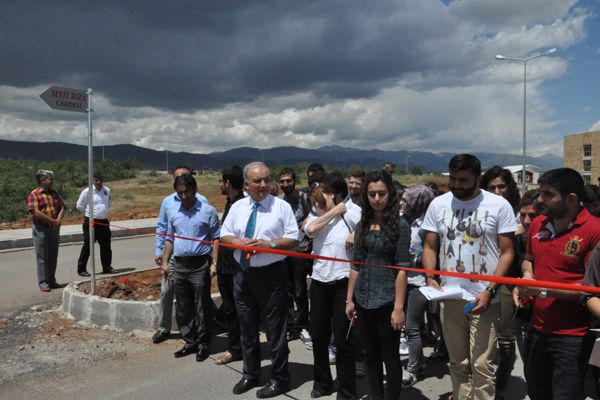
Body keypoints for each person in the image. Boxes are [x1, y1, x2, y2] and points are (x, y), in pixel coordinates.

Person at [421, 154, 517, 400]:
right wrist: (430, 277)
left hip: (485, 299)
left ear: (478, 177)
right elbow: (430, 247)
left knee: (482, 365)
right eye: (453, 179)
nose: (457, 185)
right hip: (450, 297)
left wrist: (490, 290)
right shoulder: (438, 204)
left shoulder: (498, 205)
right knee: (458, 362)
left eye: (463, 180)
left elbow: (507, 253)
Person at [516, 168, 600, 400]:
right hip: (536, 329)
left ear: (571, 199)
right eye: (540, 193)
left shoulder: (594, 231)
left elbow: (590, 289)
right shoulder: (538, 224)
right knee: (537, 393)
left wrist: (541, 289)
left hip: (573, 336)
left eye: (548, 194)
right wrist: (526, 274)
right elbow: (528, 259)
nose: (540, 200)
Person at [221, 161, 299, 398]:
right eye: (257, 181)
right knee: (247, 329)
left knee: (275, 331)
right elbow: (224, 234)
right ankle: (251, 374)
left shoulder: (281, 207)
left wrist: (269, 245)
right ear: (246, 184)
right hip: (243, 276)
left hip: (271, 276)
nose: (263, 184)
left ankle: (279, 379)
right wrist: (240, 242)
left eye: (266, 179)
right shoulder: (238, 208)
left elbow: (293, 238)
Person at [345, 170, 410, 400]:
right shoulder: (362, 224)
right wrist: (349, 299)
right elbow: (356, 265)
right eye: (372, 194)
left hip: (387, 299)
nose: (377, 199)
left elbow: (403, 267)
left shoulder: (401, 226)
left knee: (390, 356)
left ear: (390, 193)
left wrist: (399, 308)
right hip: (363, 298)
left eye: (381, 193)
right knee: (370, 354)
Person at [304, 173, 361, 399]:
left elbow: (372, 226)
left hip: (343, 282)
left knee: (343, 337)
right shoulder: (316, 215)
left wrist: (356, 233)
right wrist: (332, 211)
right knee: (318, 334)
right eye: (314, 202)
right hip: (319, 281)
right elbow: (309, 230)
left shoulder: (354, 212)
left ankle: (347, 391)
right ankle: (322, 382)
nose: (317, 205)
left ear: (332, 195)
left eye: (321, 200)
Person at [161, 174, 220, 362]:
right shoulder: (174, 212)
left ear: (194, 189)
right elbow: (170, 238)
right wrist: (165, 262)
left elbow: (216, 238)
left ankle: (203, 344)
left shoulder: (208, 211)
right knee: (183, 305)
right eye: (180, 192)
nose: (184, 195)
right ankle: (190, 341)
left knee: (201, 305)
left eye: (187, 191)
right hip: (179, 264)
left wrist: (215, 263)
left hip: (199, 264)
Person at [152, 166, 208, 344]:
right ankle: (164, 327)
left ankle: (198, 333)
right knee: (167, 291)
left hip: (197, 259)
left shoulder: (202, 201)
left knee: (196, 297)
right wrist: (159, 251)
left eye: (185, 176)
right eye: (178, 177)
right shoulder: (168, 202)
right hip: (175, 256)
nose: (182, 180)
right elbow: (162, 228)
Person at [479, 165, 521, 400]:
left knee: (505, 338)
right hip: (479, 279)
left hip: (506, 282)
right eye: (492, 187)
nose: (497, 191)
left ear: (510, 187)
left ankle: (500, 389)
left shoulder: (518, 213)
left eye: (501, 186)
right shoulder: (480, 210)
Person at [399, 185, 436, 388]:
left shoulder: (427, 225)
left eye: (407, 200)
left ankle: (412, 369)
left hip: (419, 282)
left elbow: (431, 252)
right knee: (411, 326)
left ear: (419, 202)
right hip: (402, 279)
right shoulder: (403, 219)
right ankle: (419, 361)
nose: (402, 204)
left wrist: (416, 257)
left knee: (412, 327)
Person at [213, 165, 245, 365]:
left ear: (228, 183)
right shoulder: (230, 203)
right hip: (225, 267)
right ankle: (239, 346)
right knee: (230, 310)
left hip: (236, 269)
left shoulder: (241, 205)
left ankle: (236, 350)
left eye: (221, 181)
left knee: (235, 311)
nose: (219, 184)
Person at [278, 167, 311, 341]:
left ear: (294, 181)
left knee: (299, 291)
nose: (285, 184)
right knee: (287, 291)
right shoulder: (278, 201)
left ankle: (303, 323)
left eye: (288, 181)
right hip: (283, 253)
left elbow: (312, 217)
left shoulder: (304, 199)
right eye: (282, 181)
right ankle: (291, 325)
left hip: (300, 251)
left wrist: (303, 226)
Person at [511, 189, 540, 357]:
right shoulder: (514, 240)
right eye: (523, 215)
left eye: (532, 215)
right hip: (522, 314)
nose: (527, 221)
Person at [27, 169, 65, 292]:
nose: (52, 181)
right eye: (49, 178)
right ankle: (43, 282)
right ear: (42, 180)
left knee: (53, 255)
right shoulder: (34, 194)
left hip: (54, 228)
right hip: (41, 228)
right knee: (42, 256)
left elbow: (62, 207)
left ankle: (52, 280)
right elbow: (35, 212)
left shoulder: (54, 193)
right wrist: (52, 221)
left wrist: (58, 221)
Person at [75, 172, 114, 276]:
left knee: (106, 246)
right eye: (96, 180)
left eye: (100, 179)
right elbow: (79, 205)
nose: (99, 182)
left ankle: (107, 267)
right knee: (88, 245)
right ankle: (81, 269)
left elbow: (109, 204)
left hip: (104, 222)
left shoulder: (107, 190)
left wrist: (102, 213)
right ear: (93, 180)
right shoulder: (87, 191)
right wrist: (88, 214)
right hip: (91, 222)